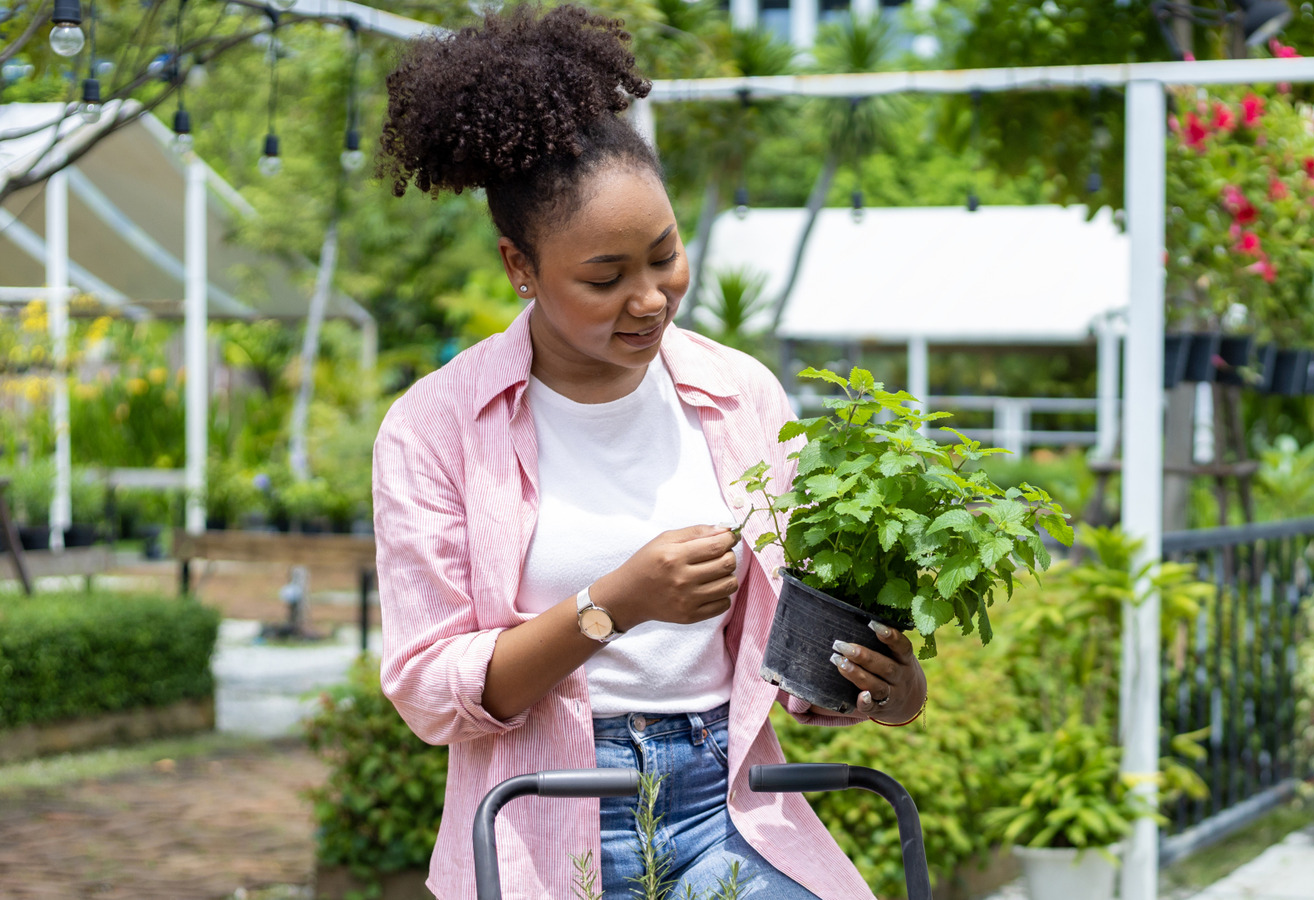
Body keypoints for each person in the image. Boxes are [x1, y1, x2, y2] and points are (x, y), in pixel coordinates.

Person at [371, 6, 927, 899]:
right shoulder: (436, 426)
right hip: (547, 813)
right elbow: (430, 690)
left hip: (727, 805)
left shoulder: (740, 395)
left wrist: (880, 689)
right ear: (521, 268)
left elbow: (779, 652)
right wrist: (614, 604)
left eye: (665, 256)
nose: (650, 299)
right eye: (605, 277)